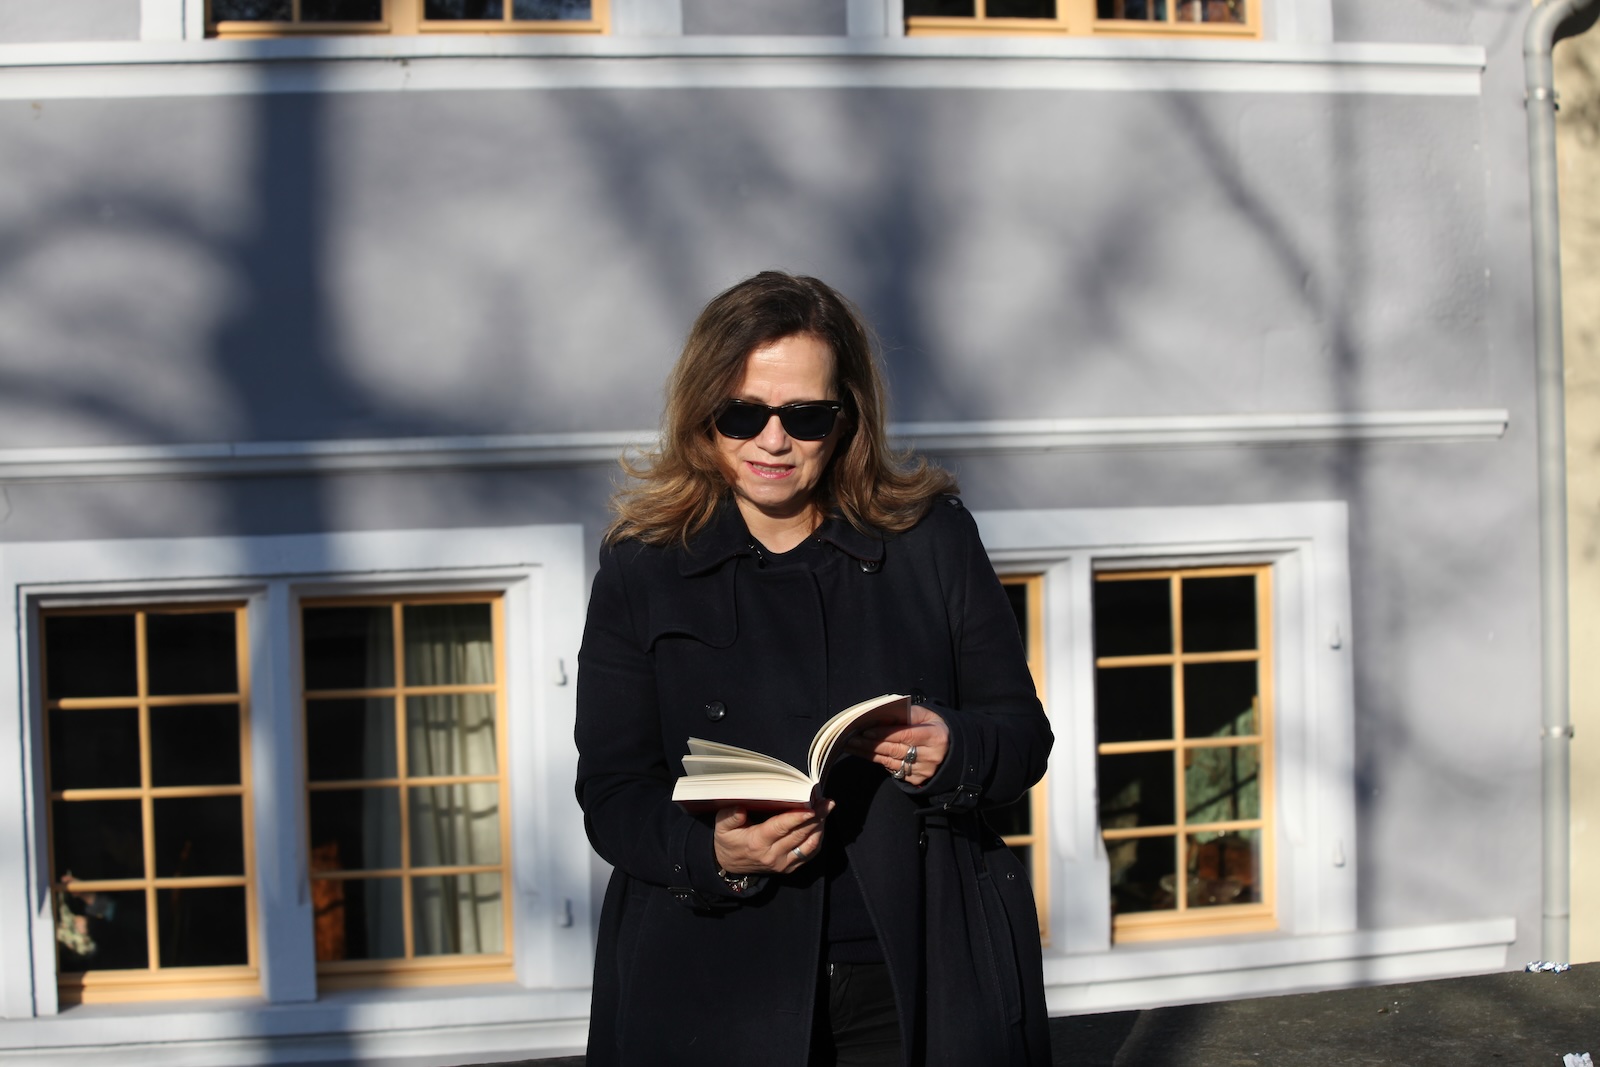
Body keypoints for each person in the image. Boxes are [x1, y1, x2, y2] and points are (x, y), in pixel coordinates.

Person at [575, 271, 1053, 1066]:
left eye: (805, 416)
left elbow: (1022, 736)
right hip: (713, 983)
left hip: (919, 971)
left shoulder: (931, 539)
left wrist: (951, 748)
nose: (773, 441)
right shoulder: (642, 565)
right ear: (702, 413)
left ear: (847, 418)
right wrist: (714, 854)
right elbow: (613, 790)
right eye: (742, 413)